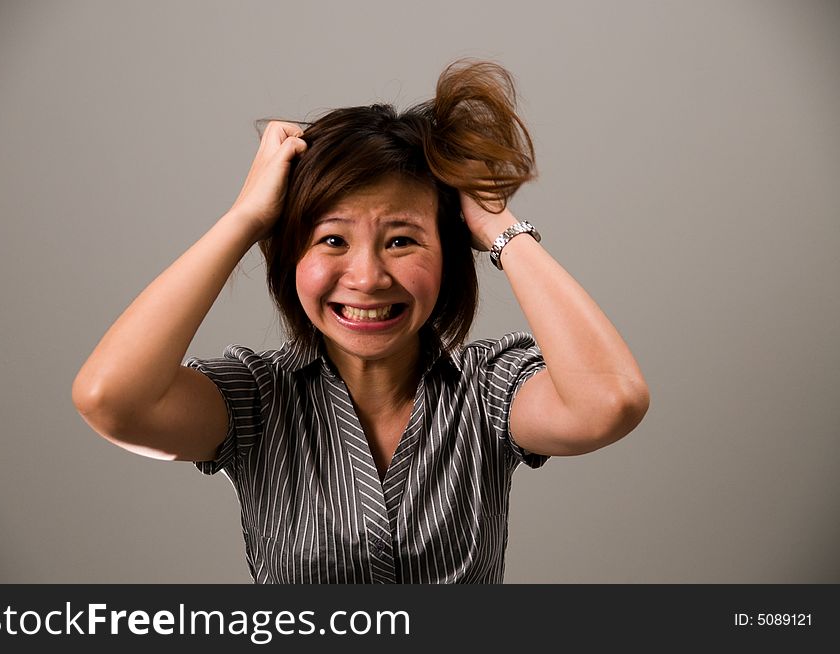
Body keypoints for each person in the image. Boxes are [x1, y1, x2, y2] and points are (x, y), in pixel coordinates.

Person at [72, 60, 650, 583]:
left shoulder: (488, 391)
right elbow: (111, 399)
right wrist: (247, 217)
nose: (368, 277)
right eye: (332, 240)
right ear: (291, 257)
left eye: (402, 240)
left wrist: (497, 223)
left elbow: (610, 403)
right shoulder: (254, 399)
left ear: (449, 255)